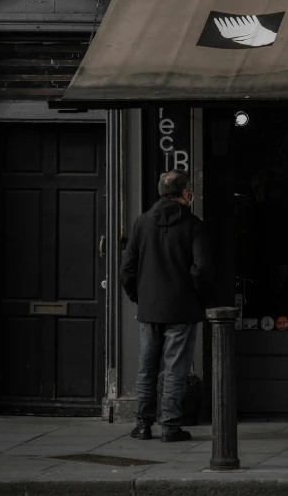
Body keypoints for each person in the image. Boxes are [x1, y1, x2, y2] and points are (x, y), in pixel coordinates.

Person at [121, 169, 212, 442]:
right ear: (185, 194)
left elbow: (127, 270)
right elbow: (202, 268)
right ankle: (170, 426)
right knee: (176, 369)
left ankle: (142, 425)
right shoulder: (194, 224)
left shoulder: (141, 222)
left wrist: (140, 297)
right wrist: (196, 294)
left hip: (149, 309)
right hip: (182, 308)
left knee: (146, 367)